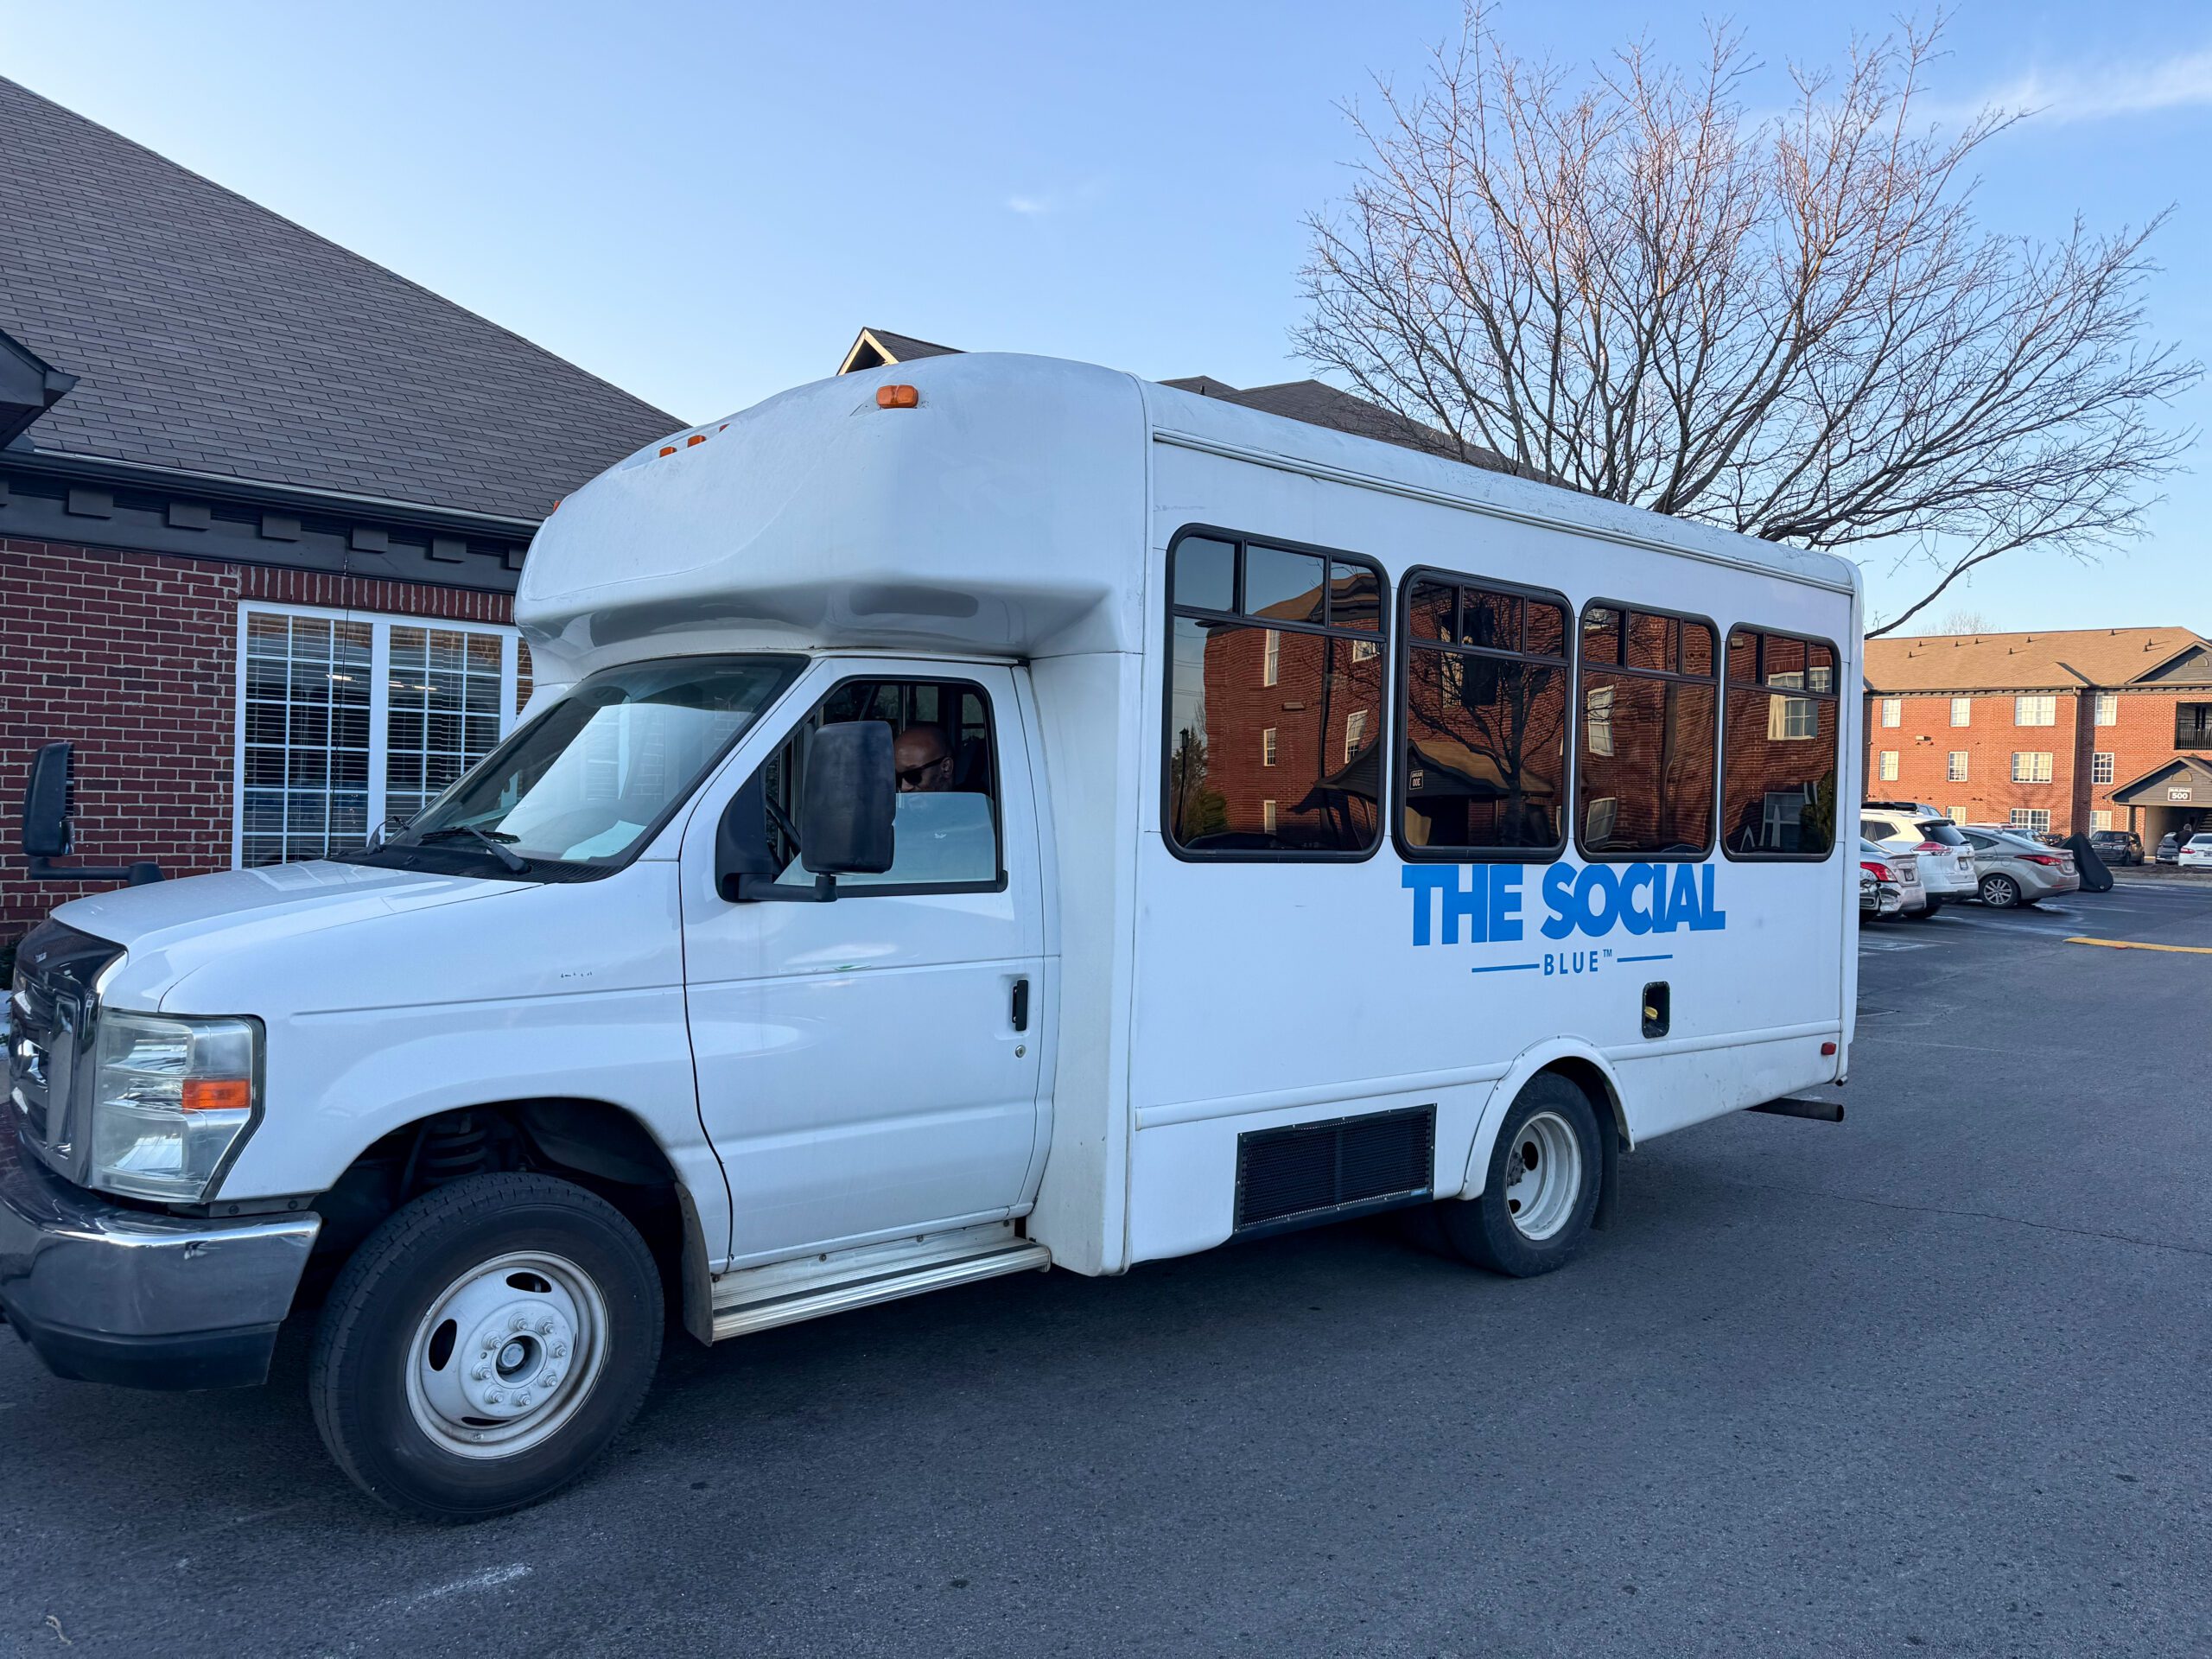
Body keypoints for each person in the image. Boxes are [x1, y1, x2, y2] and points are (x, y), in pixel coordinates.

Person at [893, 724, 955, 792]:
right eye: (897, 778)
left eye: (913, 776)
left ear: (946, 767)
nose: (904, 788)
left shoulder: (968, 801)